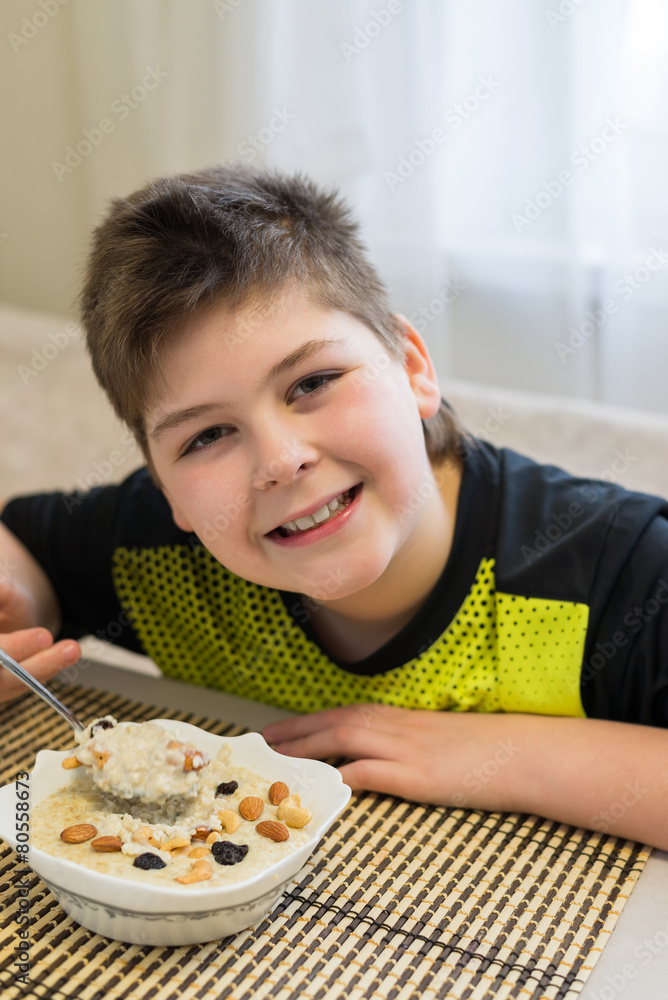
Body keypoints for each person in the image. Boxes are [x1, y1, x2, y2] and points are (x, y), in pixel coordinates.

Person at [1, 164, 667, 849]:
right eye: (207, 436)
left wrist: (510, 755)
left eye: (312, 382)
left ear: (413, 367)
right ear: (167, 490)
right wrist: (24, 603)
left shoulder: (616, 569)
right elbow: (19, 545)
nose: (280, 460)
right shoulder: (155, 554)